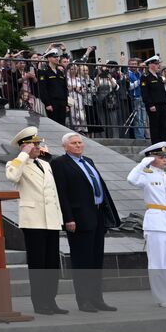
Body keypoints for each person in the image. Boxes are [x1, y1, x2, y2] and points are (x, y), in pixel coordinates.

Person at [50, 131, 120, 313]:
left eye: (80, 142)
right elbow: (62, 193)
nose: (78, 145)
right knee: (83, 261)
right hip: (78, 218)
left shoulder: (88, 161)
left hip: (97, 215)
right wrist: (68, 218)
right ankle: (84, 300)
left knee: (96, 260)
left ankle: (97, 299)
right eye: (74, 143)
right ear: (65, 146)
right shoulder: (59, 164)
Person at [4, 126, 65, 315]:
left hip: (51, 219)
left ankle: (51, 300)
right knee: (38, 264)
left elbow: (53, 192)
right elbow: (12, 176)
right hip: (34, 220)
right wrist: (23, 155)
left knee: (51, 263)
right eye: (35, 144)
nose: (38, 147)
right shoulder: (16, 163)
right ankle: (40, 303)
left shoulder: (45, 164)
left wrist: (60, 217)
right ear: (25, 146)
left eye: (38, 144)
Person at [128, 141, 166, 308]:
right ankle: (162, 297)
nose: (165, 160)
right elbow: (131, 179)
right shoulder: (145, 174)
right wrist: (143, 162)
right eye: (161, 157)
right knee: (157, 262)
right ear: (152, 158)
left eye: (165, 157)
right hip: (155, 223)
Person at [142, 55, 166, 144]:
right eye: (156, 64)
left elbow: (163, 92)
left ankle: (163, 147)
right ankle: (156, 148)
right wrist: (150, 104)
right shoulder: (146, 77)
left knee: (163, 127)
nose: (158, 66)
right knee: (155, 127)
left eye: (158, 64)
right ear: (150, 65)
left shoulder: (158, 77)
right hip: (154, 106)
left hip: (162, 105)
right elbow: (145, 93)